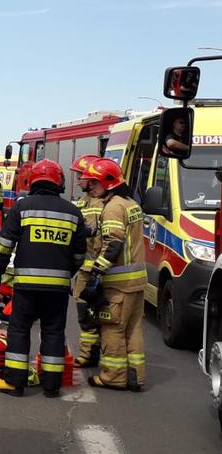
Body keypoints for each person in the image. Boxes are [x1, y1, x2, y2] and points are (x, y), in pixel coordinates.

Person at [0, 159, 87, 398]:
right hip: (58, 288)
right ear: (59, 182)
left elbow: (4, 246)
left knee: (19, 330)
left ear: (32, 181)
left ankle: (15, 382)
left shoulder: (22, 208)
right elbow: (79, 255)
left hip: (26, 286)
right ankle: (52, 384)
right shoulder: (73, 212)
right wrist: (66, 273)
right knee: (54, 331)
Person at [79, 158, 146, 391]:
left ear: (108, 182)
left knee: (112, 328)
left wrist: (97, 272)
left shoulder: (113, 207)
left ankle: (114, 377)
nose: (90, 187)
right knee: (133, 329)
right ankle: (135, 376)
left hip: (118, 283)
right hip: (137, 282)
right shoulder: (131, 204)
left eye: (94, 183)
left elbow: (113, 244)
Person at [69, 154, 105, 367]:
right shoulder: (83, 203)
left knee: (97, 315)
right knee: (85, 314)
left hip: (98, 270)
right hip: (84, 269)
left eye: (81, 176)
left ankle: (94, 354)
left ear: (92, 179)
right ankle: (88, 354)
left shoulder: (103, 203)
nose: (78, 180)